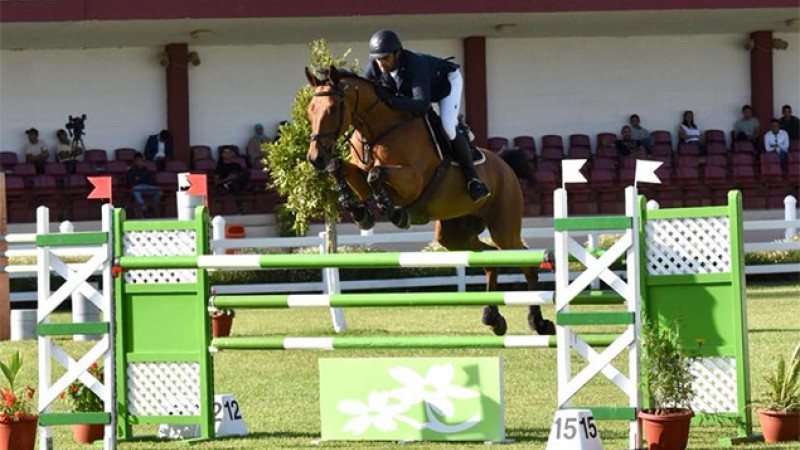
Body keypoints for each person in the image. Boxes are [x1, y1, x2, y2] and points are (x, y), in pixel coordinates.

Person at [363, 29, 490, 202]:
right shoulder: (374, 68)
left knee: (447, 126)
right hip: (416, 94)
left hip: (445, 84)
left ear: (397, 53)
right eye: (378, 59)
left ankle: (473, 179)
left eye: (386, 58)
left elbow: (422, 104)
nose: (382, 64)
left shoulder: (415, 64)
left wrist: (391, 100)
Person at [214, 146, 252, 214]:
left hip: (238, 182)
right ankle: (240, 207)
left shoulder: (237, 165)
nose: (227, 154)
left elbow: (243, 175)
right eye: (225, 152)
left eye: (229, 152)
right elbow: (216, 182)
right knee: (234, 186)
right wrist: (227, 179)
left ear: (232, 154)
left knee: (247, 173)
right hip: (225, 184)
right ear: (222, 155)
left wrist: (236, 177)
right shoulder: (219, 168)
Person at [126, 152, 163, 218]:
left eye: (141, 160)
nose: (139, 162)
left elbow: (151, 181)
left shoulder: (146, 170)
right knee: (135, 191)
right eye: (137, 160)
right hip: (137, 187)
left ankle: (151, 208)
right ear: (134, 161)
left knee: (159, 191)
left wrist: (139, 179)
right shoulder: (131, 171)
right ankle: (144, 210)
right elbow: (131, 182)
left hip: (147, 187)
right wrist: (138, 180)